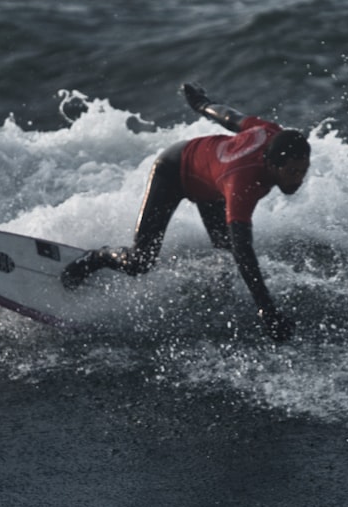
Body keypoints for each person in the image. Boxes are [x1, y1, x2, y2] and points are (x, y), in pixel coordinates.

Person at [61, 83, 311, 342]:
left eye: (303, 169)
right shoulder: (242, 184)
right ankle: (96, 257)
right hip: (174, 170)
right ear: (271, 164)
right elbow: (244, 250)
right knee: (140, 262)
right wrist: (267, 310)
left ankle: (212, 296)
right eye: (292, 172)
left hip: (210, 180)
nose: (299, 179)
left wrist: (203, 104)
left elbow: (232, 118)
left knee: (224, 250)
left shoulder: (273, 133)